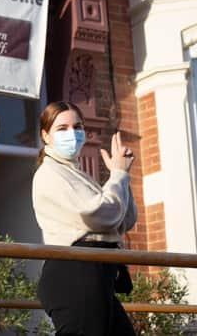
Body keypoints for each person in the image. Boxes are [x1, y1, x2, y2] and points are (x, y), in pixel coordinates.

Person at [32, 101, 137, 336]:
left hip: (97, 274)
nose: (72, 134)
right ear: (45, 136)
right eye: (62, 128)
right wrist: (118, 175)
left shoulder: (77, 175)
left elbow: (123, 220)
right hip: (75, 272)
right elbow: (99, 216)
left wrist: (122, 177)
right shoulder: (50, 173)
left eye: (77, 127)